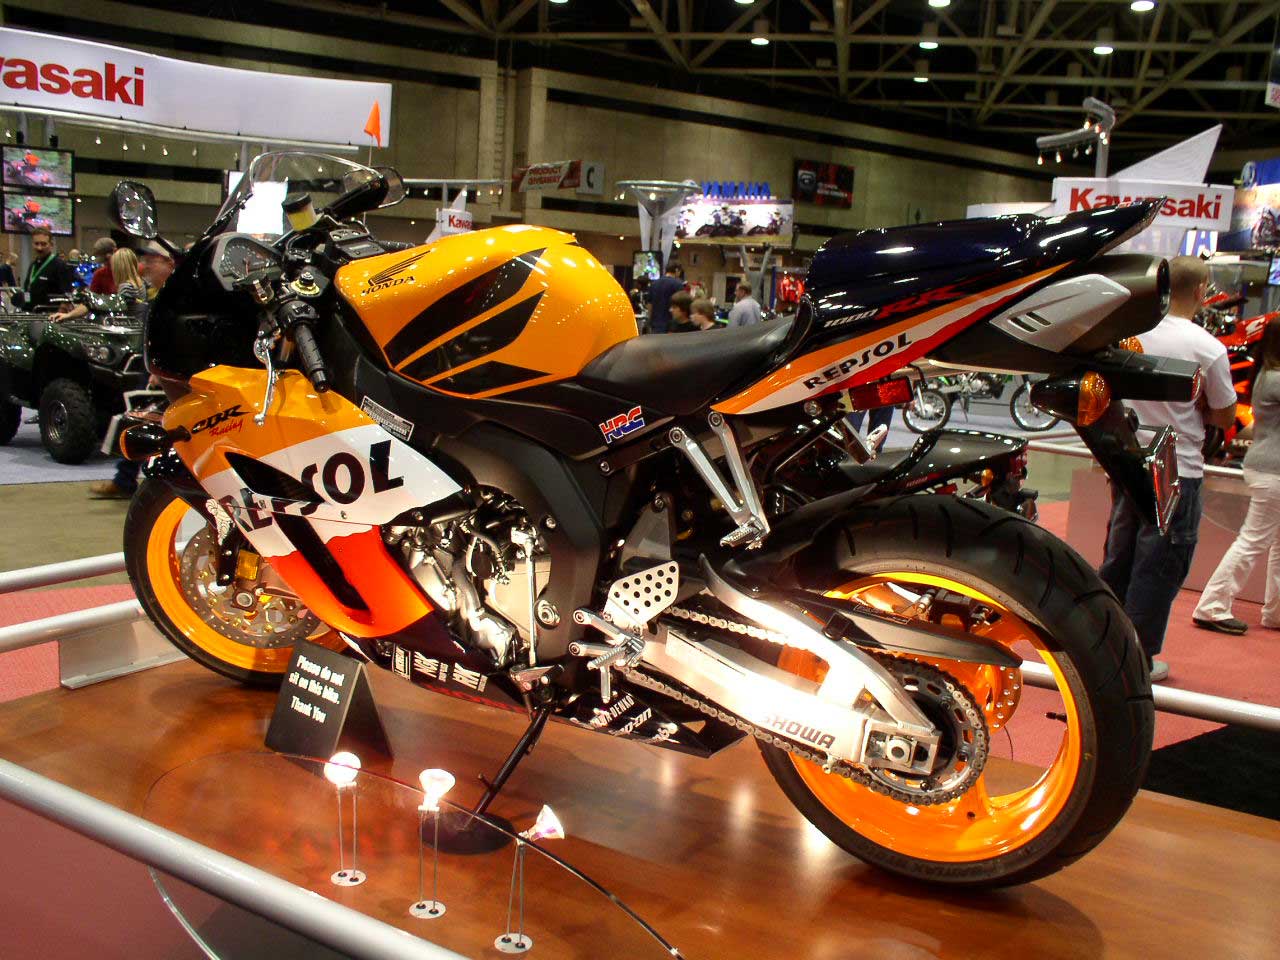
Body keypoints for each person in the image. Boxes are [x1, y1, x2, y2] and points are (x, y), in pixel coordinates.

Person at [1098, 256, 1237, 682]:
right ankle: (1136, 661)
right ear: (1201, 291)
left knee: (1119, 558)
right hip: (1177, 467)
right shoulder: (1207, 347)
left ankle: (1101, 646)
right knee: (1161, 564)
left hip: (1128, 457)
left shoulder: (1130, 334)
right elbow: (1225, 414)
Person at [1192, 318, 1280, 634]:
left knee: (1269, 543)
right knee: (1253, 540)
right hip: (1273, 471)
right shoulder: (1275, 379)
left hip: (1267, 468)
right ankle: (1212, 606)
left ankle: (1276, 612)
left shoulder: (1266, 375)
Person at [51, 248, 149, 323]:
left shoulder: (126, 287)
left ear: (118, 266)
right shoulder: (141, 284)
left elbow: (102, 304)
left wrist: (68, 316)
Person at [18, 228, 75, 311]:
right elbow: (28, 288)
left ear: (51, 245)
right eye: (36, 244)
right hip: (31, 312)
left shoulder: (60, 265)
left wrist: (60, 314)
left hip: (50, 314)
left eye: (43, 244)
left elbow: (66, 296)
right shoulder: (33, 265)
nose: (39, 248)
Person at [647, 262, 684, 334]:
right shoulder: (678, 284)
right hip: (671, 323)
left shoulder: (654, 283)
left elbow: (649, 304)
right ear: (676, 270)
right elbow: (681, 304)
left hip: (655, 323)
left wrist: (650, 319)